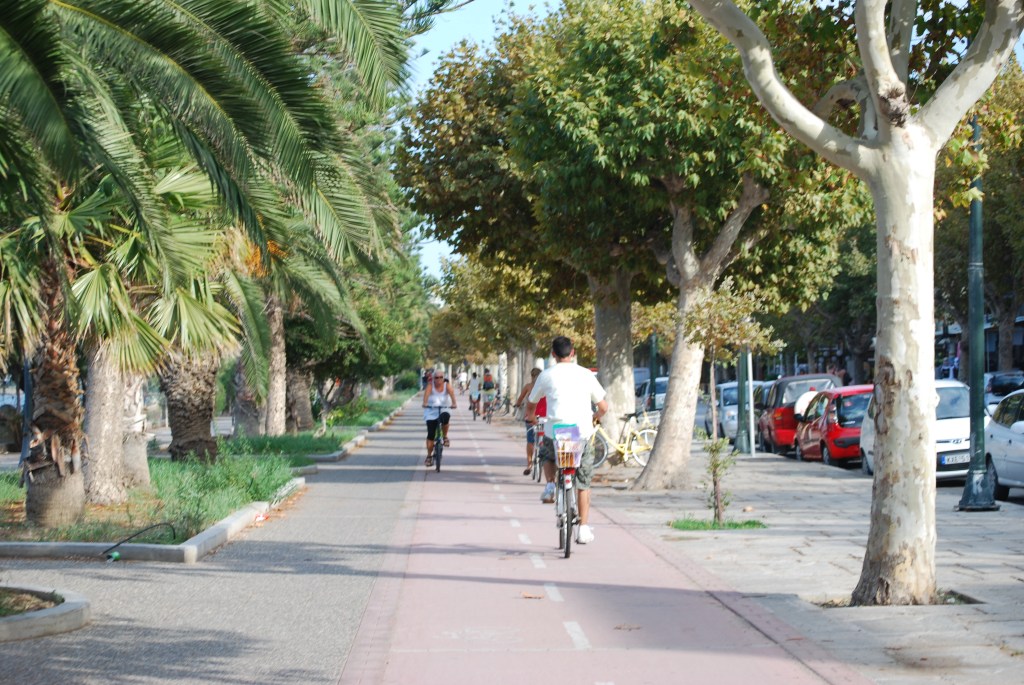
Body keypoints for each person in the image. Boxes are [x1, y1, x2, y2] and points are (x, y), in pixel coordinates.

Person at [525, 336, 608, 545]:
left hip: (556, 432)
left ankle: (551, 485)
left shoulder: (546, 375)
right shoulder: (585, 374)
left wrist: (532, 417)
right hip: (581, 433)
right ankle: (583, 529)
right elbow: (603, 407)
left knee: (547, 453)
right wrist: (595, 416)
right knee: (583, 482)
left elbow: (531, 404)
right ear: (573, 353)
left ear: (553, 354)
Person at [515, 368, 546, 476]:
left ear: (532, 376)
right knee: (547, 438)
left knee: (530, 440)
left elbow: (520, 399)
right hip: (545, 417)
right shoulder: (546, 386)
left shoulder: (528, 387)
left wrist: (518, 404)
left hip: (531, 417)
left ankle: (529, 464)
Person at [422, 369, 456, 467]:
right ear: (433, 378)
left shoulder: (446, 385)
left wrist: (454, 403)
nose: (439, 379)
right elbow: (426, 395)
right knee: (431, 434)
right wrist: (425, 403)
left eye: (441, 377)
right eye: (436, 377)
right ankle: (429, 456)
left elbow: (452, 394)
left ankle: (445, 437)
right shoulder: (430, 386)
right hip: (431, 410)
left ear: (443, 378)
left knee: (446, 418)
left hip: (444, 408)